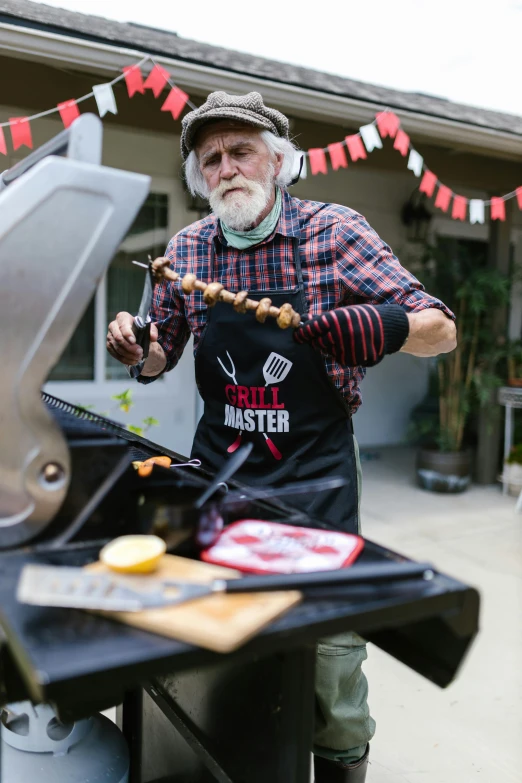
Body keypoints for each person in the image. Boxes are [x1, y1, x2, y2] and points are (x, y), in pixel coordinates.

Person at [107, 91, 456, 783]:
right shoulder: (187, 250)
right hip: (220, 477)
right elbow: (161, 353)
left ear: (278, 159)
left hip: (314, 479)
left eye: (241, 151)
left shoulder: (335, 232)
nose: (227, 168)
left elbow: (440, 327)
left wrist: (384, 326)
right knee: (215, 650)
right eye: (211, 159)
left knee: (329, 666)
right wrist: (134, 344)